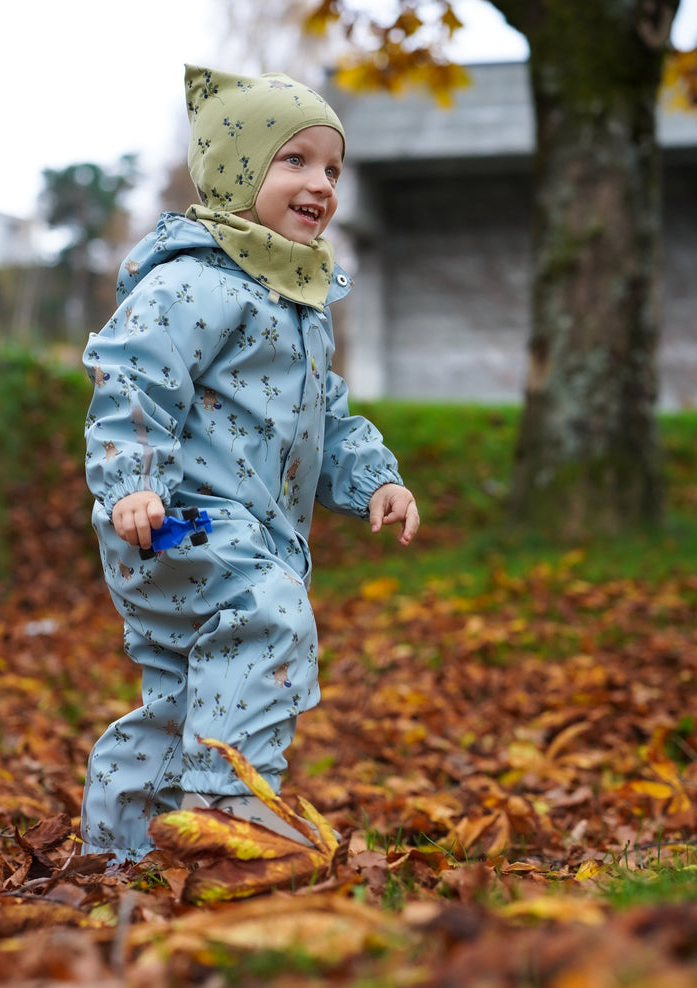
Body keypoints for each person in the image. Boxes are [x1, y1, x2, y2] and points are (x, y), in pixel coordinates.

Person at [80, 64, 419, 863]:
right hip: (172, 522)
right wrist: (134, 483)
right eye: (294, 161)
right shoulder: (194, 282)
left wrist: (378, 479)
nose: (321, 184)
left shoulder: (293, 299)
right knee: (267, 617)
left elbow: (324, 414)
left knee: (184, 692)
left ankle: (120, 849)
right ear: (237, 173)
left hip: (244, 530)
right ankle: (229, 809)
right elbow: (132, 379)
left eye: (332, 169)